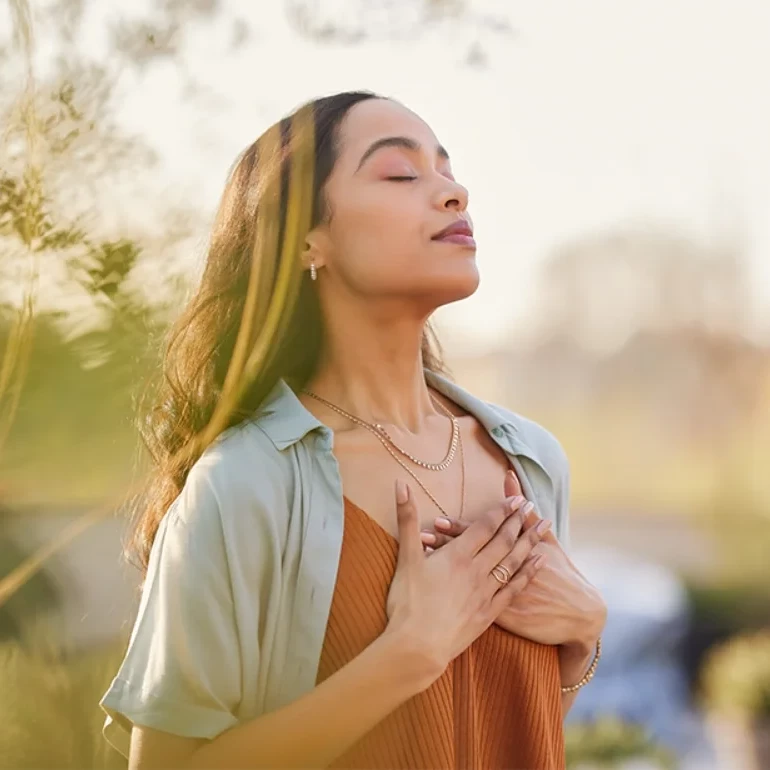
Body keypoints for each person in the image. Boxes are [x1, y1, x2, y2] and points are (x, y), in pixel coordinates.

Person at [100, 90, 607, 770]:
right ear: (309, 240)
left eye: (448, 171)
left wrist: (582, 638)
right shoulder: (244, 484)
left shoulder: (533, 460)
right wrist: (409, 655)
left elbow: (506, 727)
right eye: (401, 173)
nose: (454, 193)